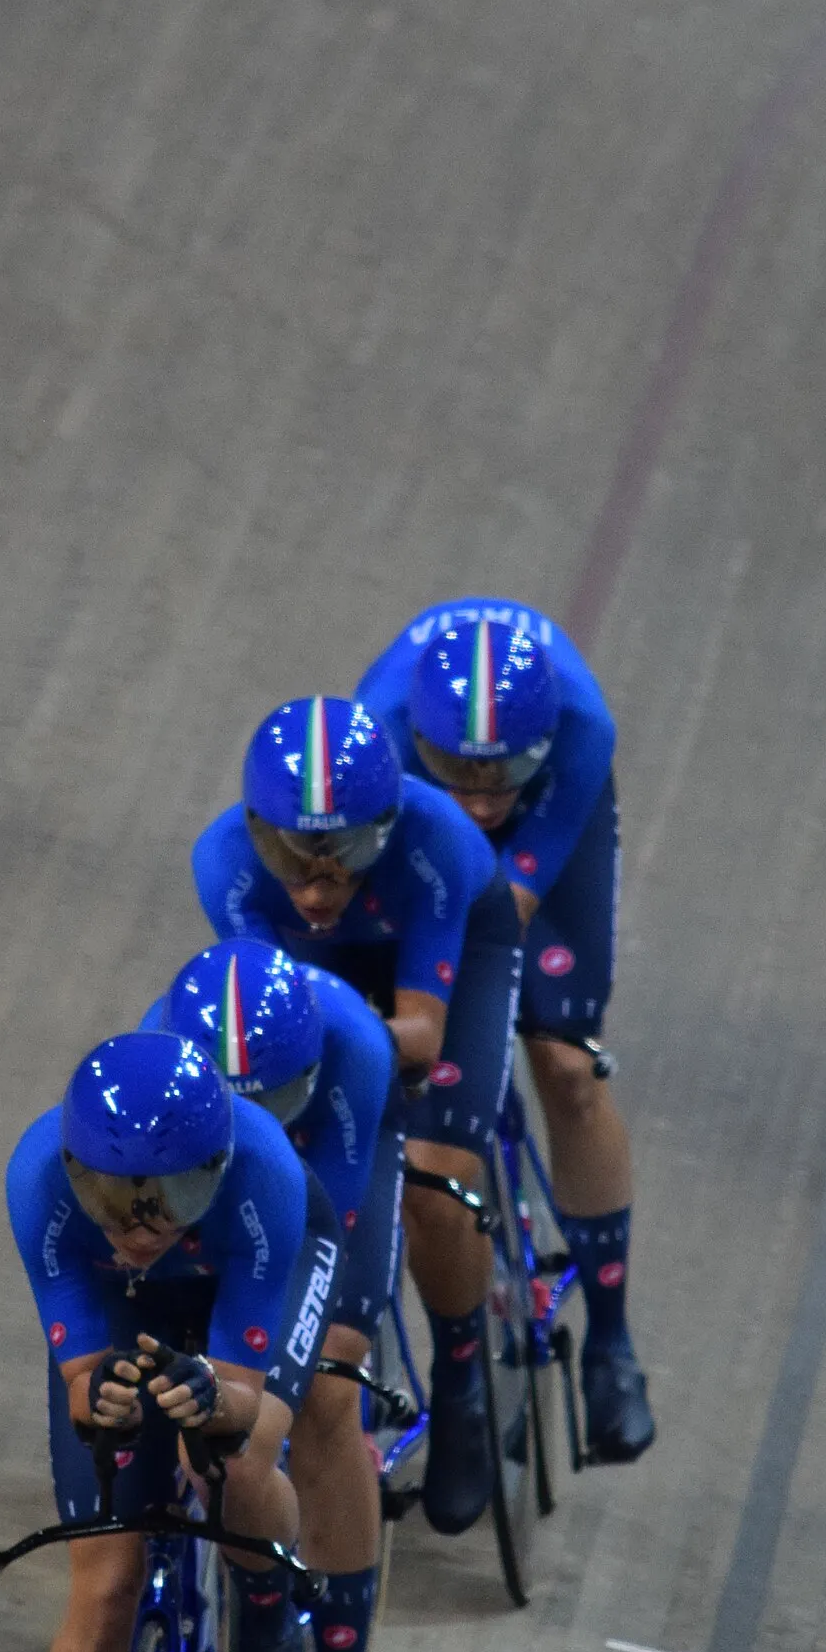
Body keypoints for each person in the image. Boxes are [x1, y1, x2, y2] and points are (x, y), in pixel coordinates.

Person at [4, 1029, 339, 1652]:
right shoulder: (37, 1183)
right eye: (115, 1200)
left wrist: (214, 1401)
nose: (142, 1226)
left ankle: (274, 1631)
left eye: (167, 1199)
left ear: (214, 1167)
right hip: (124, 1314)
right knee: (103, 1592)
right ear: (74, 1169)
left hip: (243, 1281)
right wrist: (98, 1402)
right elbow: (77, 1379)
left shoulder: (262, 1178)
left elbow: (250, 1404)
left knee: (240, 1460)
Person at [192, 696, 522, 1538]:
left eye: (341, 857)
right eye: (291, 858)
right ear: (256, 830)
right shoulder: (225, 863)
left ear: (386, 824)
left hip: (438, 968)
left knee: (438, 1185)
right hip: (318, 986)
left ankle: (462, 1388)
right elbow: (263, 1024)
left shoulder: (436, 841)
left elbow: (420, 1035)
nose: (312, 885)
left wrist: (356, 1051)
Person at [357, 599, 653, 1463]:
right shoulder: (380, 732)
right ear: (422, 739)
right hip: (410, 839)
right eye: (460, 772)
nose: (483, 802)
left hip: (555, 826)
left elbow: (499, 912)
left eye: (501, 778)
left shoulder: (580, 727)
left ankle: (612, 1342)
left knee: (566, 1067)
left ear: (542, 742)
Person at [145, 938, 400, 1652]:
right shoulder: (163, 1061)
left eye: (273, 1100)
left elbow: (311, 1233)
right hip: (201, 1190)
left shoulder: (353, 1056)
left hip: (311, 1188)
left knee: (327, 1385)